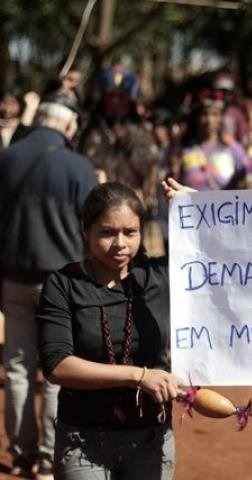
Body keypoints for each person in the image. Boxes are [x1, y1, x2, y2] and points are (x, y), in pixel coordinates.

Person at [37, 182, 183, 479]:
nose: (120, 244)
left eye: (130, 232)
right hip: (83, 441)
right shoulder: (63, 285)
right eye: (107, 232)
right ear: (85, 231)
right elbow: (57, 366)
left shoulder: (161, 277)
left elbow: (223, 257)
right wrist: (140, 376)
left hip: (150, 441)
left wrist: (195, 207)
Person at [0, 90, 98, 479]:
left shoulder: (7, 158)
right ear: (69, 125)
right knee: (57, 370)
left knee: (18, 367)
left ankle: (21, 453)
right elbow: (92, 230)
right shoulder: (79, 167)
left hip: (13, 276)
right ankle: (47, 456)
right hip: (62, 281)